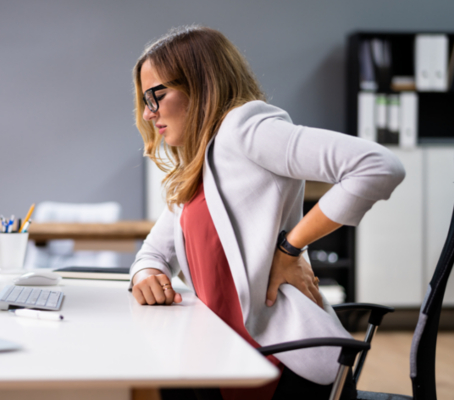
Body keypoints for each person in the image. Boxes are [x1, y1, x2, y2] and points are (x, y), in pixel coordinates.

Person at [129, 26, 405, 400]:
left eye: (156, 95)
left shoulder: (245, 128)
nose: (148, 113)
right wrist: (147, 274)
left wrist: (290, 248)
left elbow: (378, 165)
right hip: (226, 356)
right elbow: (153, 254)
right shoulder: (197, 170)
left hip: (283, 365)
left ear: (200, 84)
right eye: (145, 100)